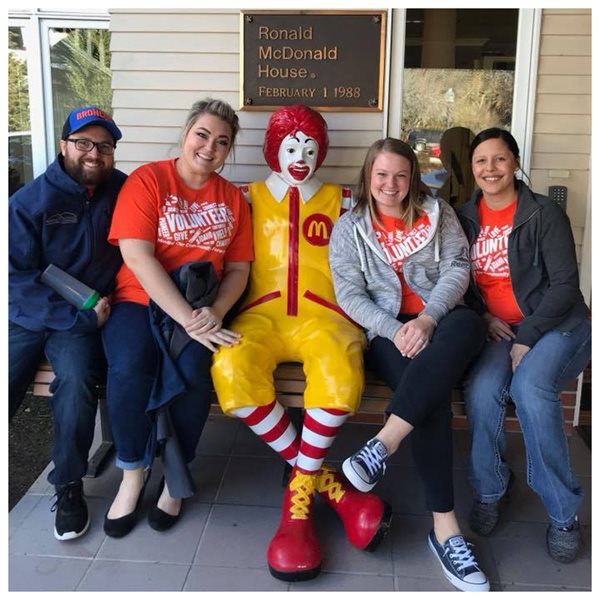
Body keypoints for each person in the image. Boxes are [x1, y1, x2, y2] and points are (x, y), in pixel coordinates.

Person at [211, 104, 391, 582]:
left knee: (339, 369)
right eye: (291, 146)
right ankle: (330, 487)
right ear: (273, 149)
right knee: (230, 366)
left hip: (327, 316)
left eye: (310, 148)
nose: (300, 156)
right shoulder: (244, 197)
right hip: (259, 314)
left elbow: (385, 242)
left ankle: (297, 508)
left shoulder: (345, 199)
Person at [329, 137, 489, 592]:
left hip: (439, 319)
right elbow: (350, 294)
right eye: (381, 174)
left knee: (467, 327)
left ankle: (383, 443)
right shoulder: (350, 228)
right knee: (429, 398)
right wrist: (394, 326)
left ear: (412, 178)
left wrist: (427, 317)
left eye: (400, 175)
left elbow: (459, 267)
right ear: (368, 177)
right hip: (387, 331)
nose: (391, 184)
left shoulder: (438, 215)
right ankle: (446, 531)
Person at [102, 98, 253, 538]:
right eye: (203, 135)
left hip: (203, 306)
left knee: (193, 372)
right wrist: (187, 318)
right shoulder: (150, 180)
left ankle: (175, 478)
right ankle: (133, 473)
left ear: (228, 151)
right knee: (130, 367)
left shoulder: (232, 199)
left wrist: (216, 311)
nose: (210, 147)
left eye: (222, 142)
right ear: (186, 134)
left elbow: (240, 269)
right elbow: (136, 254)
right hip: (139, 299)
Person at [457, 127, 591, 564]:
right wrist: (484, 315)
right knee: (480, 391)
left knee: (530, 389)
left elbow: (566, 287)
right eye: (481, 161)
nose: (490, 169)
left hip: (558, 325)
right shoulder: (464, 216)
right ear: (472, 168)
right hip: (500, 329)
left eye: (499, 159)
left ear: (514, 162)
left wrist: (528, 337)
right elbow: (458, 280)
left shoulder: (542, 213)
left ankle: (563, 514)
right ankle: (492, 488)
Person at [9, 106, 126, 540]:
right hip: (32, 314)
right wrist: (71, 316)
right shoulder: (28, 202)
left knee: (76, 384)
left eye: (104, 146)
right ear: (64, 146)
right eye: (84, 143)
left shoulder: (123, 191)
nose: (94, 153)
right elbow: (14, 278)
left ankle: (69, 484)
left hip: (82, 319)